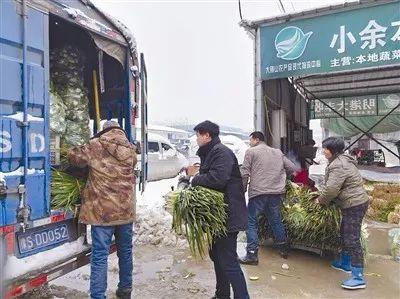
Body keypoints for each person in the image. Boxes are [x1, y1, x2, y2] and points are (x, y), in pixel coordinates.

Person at [68, 121, 137, 299]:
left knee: (99, 255)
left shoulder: (95, 145)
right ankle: (125, 290)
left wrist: (88, 141)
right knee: (126, 252)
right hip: (125, 212)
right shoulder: (130, 149)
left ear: (103, 131)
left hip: (103, 213)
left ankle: (98, 295)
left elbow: (74, 158)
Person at [188, 120, 249, 299]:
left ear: (207, 135)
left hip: (228, 215)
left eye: (198, 134)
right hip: (219, 216)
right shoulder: (211, 152)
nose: (197, 138)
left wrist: (195, 179)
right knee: (217, 256)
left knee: (228, 260)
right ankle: (222, 294)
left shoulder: (221, 152)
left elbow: (217, 179)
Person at [315, 137, 370, 290]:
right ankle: (345, 263)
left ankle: (358, 277)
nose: (323, 151)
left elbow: (332, 189)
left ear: (332, 150)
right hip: (352, 202)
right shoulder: (339, 160)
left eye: (325, 148)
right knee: (345, 232)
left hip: (355, 204)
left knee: (352, 238)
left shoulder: (338, 165)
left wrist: (320, 200)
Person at [239, 131, 298, 265]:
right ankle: (283, 249)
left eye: (251, 140)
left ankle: (252, 254)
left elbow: (244, 173)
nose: (250, 143)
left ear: (256, 139)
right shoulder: (277, 152)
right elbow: (292, 168)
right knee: (275, 219)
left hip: (259, 193)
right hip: (276, 193)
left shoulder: (251, 152)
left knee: (250, 221)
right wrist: (281, 177)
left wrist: (241, 190)